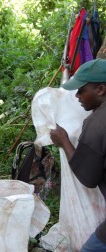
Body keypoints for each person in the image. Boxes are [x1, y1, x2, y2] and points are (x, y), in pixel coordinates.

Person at [50, 58, 106, 251]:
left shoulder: (97, 123)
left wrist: (63, 141)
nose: (77, 96)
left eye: (81, 90)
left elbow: (88, 176)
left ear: (100, 90)